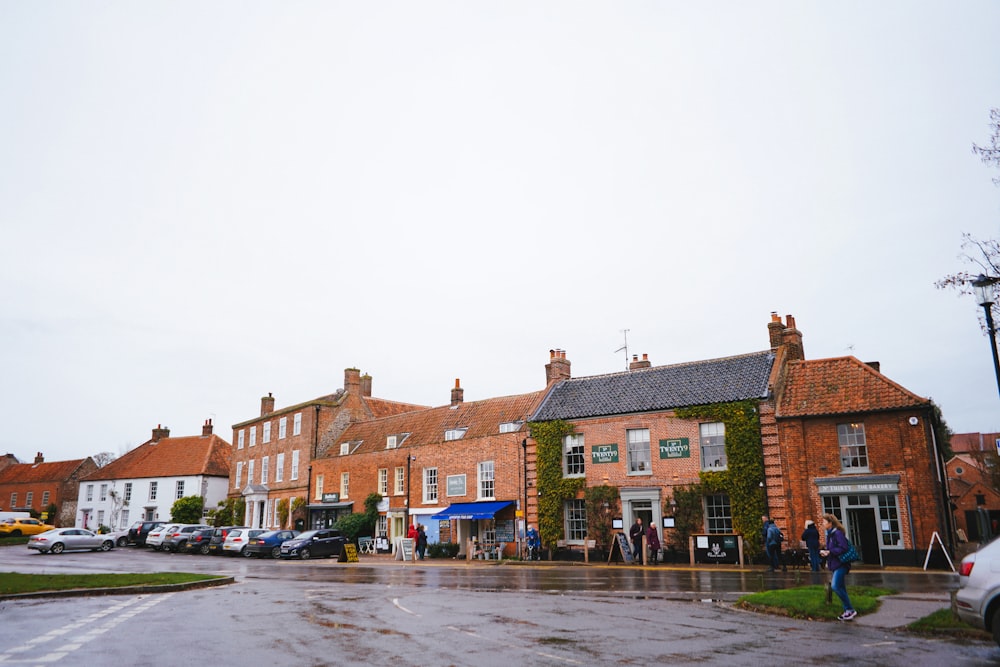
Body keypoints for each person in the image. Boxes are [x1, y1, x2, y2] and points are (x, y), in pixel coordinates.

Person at [819, 513, 857, 621]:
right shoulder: (830, 535)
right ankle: (847, 611)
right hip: (835, 564)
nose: (822, 524)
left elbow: (843, 548)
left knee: (835, 586)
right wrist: (827, 552)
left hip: (841, 564)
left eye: (824, 522)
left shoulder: (837, 534)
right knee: (841, 588)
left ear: (830, 523)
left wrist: (830, 552)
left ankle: (850, 609)